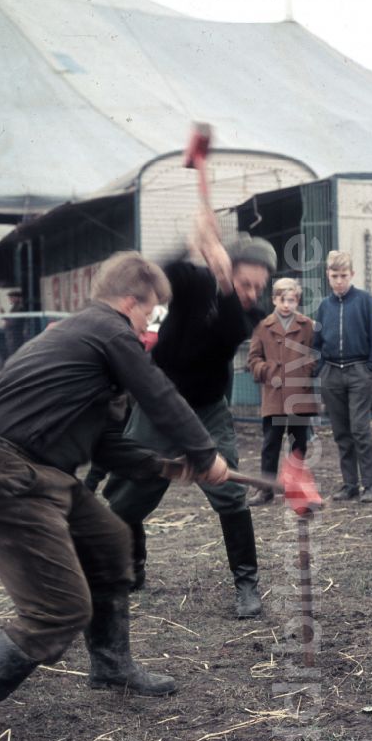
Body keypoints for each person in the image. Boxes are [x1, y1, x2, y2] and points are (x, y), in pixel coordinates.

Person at [0, 250, 228, 741]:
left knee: (110, 538)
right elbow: (158, 394)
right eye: (150, 312)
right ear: (131, 302)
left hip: (42, 471)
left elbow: (106, 443)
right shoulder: (106, 330)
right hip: (0, 472)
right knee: (59, 609)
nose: (148, 325)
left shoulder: (86, 345)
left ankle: (111, 665)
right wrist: (204, 453)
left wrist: (168, 466)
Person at [102, 215, 273, 618]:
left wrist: (228, 284)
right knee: (125, 499)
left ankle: (246, 584)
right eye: (245, 282)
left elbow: (231, 329)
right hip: (158, 404)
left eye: (257, 287)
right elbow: (152, 275)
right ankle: (134, 568)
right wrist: (191, 241)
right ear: (226, 266)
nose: (251, 293)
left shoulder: (248, 312)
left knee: (230, 493)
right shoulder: (192, 281)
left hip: (208, 410)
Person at [313, 251, 372, 503]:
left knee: (360, 429)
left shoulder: (365, 301)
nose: (339, 281)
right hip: (332, 373)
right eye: (334, 276)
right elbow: (317, 340)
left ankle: (371, 485)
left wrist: (371, 368)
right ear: (328, 276)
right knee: (341, 432)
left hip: (358, 371)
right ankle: (349, 484)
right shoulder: (324, 306)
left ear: (352, 275)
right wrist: (321, 368)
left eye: (344, 276)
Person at [245, 277, 319, 506]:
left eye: (292, 300)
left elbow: (315, 354)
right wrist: (266, 371)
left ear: (297, 300)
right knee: (270, 443)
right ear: (274, 299)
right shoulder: (262, 326)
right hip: (274, 394)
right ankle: (265, 490)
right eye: (282, 299)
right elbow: (253, 358)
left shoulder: (308, 325)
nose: (287, 304)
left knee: (299, 443)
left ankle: (296, 488)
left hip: (299, 394)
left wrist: (305, 372)